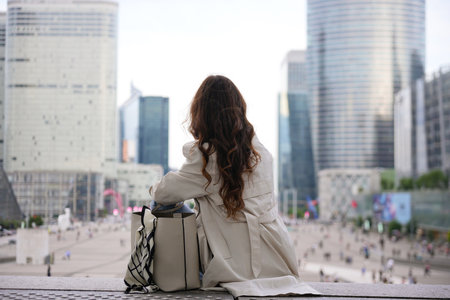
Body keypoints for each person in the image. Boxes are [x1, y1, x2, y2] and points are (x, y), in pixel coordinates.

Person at [149, 75, 319, 297]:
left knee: (162, 205)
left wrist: (155, 190)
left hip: (233, 266)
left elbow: (163, 192)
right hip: (279, 258)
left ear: (201, 114)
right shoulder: (262, 154)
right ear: (239, 110)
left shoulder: (206, 158)